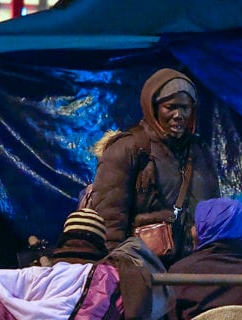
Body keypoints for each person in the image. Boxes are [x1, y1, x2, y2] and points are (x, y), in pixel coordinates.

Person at [81, 68, 219, 256]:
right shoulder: (128, 148)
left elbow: (213, 211)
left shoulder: (200, 152)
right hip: (143, 267)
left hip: (193, 266)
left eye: (185, 108)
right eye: (170, 107)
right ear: (153, 107)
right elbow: (110, 218)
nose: (179, 115)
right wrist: (116, 267)